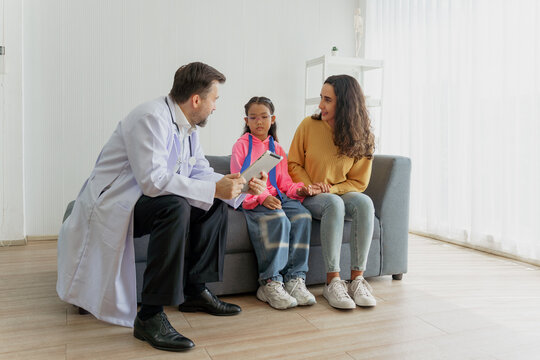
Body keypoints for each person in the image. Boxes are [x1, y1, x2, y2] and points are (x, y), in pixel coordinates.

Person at [56, 62, 268, 352]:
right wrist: (212, 188)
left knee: (214, 202)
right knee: (175, 207)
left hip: (141, 200)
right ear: (196, 99)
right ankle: (150, 316)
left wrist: (238, 184)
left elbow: (200, 171)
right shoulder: (150, 118)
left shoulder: (189, 128)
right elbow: (152, 182)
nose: (215, 107)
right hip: (114, 203)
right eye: (214, 99)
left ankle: (194, 291)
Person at [288, 75, 377, 310]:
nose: (320, 105)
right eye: (321, 98)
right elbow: (293, 163)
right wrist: (310, 187)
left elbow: (358, 181)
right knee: (333, 204)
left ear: (346, 103)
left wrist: (333, 188)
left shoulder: (362, 135)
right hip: (309, 194)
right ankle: (332, 282)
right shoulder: (309, 125)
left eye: (327, 100)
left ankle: (357, 279)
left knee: (365, 203)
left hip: (337, 191)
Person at [230, 96, 319, 310]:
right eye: (253, 118)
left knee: (302, 216)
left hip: (278, 196)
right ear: (246, 120)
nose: (259, 122)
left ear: (273, 119)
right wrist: (261, 197)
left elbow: (284, 182)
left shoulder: (277, 148)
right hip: (253, 198)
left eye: (264, 117)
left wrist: (300, 189)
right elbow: (238, 182)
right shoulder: (240, 146)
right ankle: (270, 282)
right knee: (279, 219)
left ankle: (295, 279)